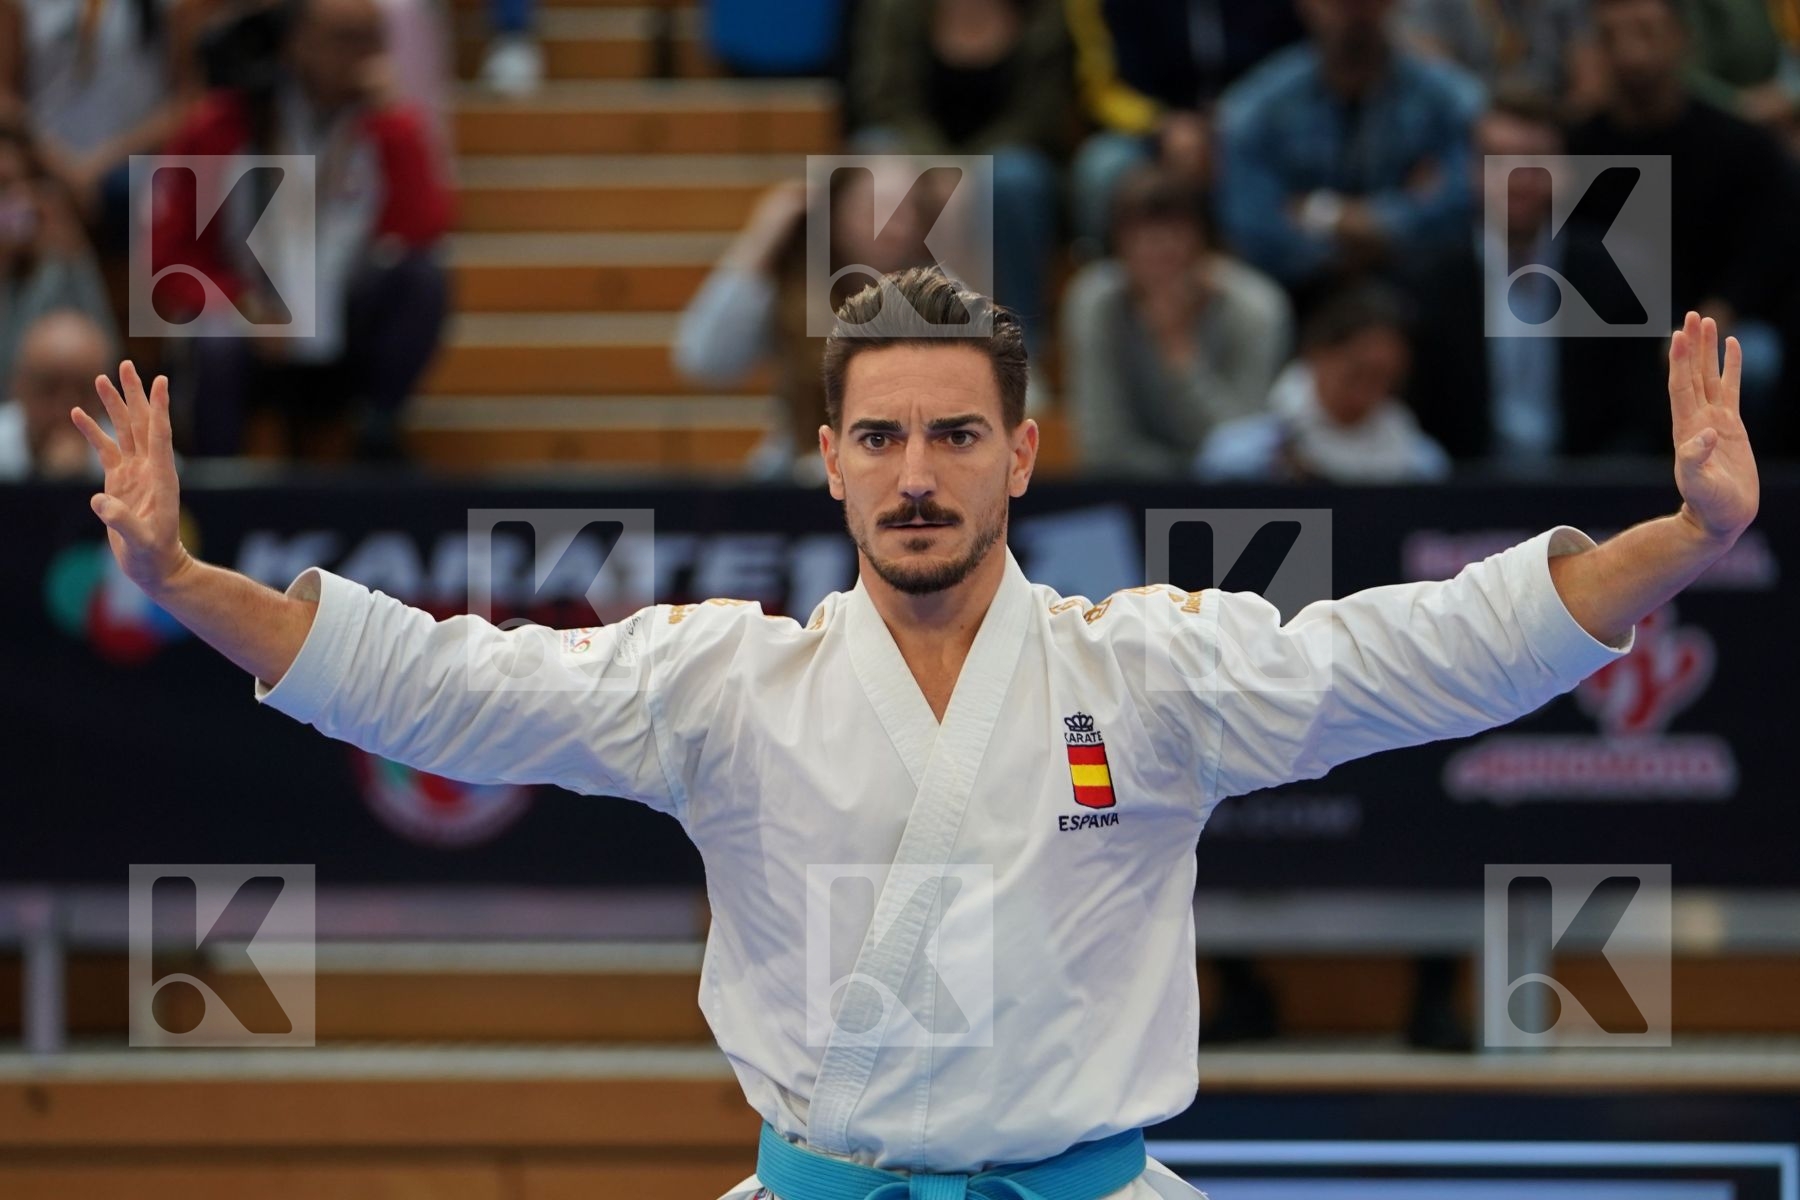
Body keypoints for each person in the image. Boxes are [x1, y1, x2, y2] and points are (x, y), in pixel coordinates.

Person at [72, 267, 1759, 1199]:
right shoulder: (721, 686)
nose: (918, 472)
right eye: (881, 437)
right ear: (828, 458)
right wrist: (180, 576)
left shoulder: (1151, 675)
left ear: (1022, 456)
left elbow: (1422, 649)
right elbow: (444, 684)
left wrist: (1683, 541)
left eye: (957, 434)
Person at [152, 0, 451, 460]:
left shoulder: (387, 125)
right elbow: (168, 257)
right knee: (214, 340)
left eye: (373, 40)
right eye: (345, 39)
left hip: (345, 322)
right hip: (251, 328)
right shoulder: (223, 124)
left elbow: (426, 226)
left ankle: (375, 434)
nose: (365, 56)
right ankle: (214, 484)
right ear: (296, 42)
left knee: (423, 280)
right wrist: (240, 303)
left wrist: (395, 126)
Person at [1398, 86, 1670, 463]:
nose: (1518, 177)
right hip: (1462, 496)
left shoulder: (1616, 276)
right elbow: (1417, 420)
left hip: (1588, 497)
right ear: (1472, 171)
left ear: (1566, 171)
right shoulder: (1429, 282)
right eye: (1499, 159)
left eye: (1534, 159)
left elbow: (1642, 420)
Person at [1214, 0, 1483, 298]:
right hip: (1304, 294)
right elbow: (1255, 228)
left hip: (1422, 287)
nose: (1353, 14)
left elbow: (1461, 202)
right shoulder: (1257, 108)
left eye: (1363, 4)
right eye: (1339, 4)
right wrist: (1398, 217)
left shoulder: (1450, 99)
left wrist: (1321, 214)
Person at [1063, 166, 1292, 478]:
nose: (1159, 248)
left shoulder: (1257, 307)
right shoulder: (1094, 302)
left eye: (1176, 230)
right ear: (1117, 245)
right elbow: (1103, 448)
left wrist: (1182, 358)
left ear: (1204, 239)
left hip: (1230, 504)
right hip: (1128, 492)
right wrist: (1186, 479)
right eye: (1141, 233)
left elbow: (1246, 449)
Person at [1195, 280, 1451, 482]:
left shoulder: (1422, 467)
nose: (1365, 392)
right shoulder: (1237, 461)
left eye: (1382, 378)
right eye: (1357, 372)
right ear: (1318, 355)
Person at [0, 116, 117, 396]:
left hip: (51, 423)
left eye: (17, 186)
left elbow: (106, 361)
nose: (11, 201)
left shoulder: (55, 262)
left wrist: (74, 256)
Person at [0, 307, 113, 479]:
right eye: (49, 388)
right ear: (19, 387)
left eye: (83, 390)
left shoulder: (135, 462)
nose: (66, 409)